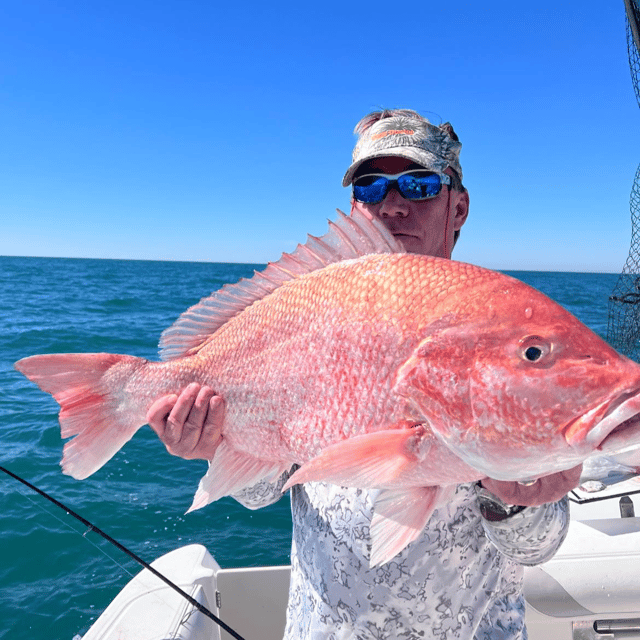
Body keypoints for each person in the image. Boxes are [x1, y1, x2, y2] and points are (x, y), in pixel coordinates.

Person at [147, 109, 582, 639]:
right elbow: (263, 491)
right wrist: (214, 442)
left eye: (420, 184)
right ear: (355, 205)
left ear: (458, 206)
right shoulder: (311, 307)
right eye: (371, 188)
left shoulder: (504, 325)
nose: (394, 204)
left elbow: (539, 547)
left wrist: (514, 494)